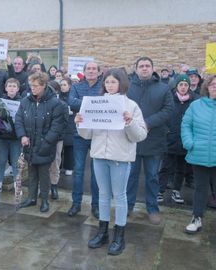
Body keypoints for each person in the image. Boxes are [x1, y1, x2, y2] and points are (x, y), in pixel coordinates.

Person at [76, 69, 147, 256]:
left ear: (121, 83)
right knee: (103, 195)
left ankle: (119, 236)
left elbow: (140, 135)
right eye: (107, 82)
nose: (110, 85)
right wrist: (80, 123)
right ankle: (103, 232)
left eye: (113, 82)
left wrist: (129, 122)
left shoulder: (131, 106)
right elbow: (87, 134)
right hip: (99, 155)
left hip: (120, 158)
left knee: (120, 196)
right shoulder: (96, 103)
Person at [126, 57, 173, 225]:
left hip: (154, 140)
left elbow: (168, 111)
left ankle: (152, 209)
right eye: (141, 66)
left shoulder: (163, 88)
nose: (144, 69)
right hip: (132, 140)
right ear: (136, 69)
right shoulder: (128, 88)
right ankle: (128, 206)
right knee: (130, 176)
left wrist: (147, 123)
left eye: (147, 66)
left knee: (152, 176)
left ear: (153, 68)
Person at [15, 72, 67, 212]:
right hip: (29, 145)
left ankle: (44, 200)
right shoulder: (25, 102)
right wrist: (22, 135)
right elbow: (18, 120)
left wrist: (45, 144)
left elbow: (56, 128)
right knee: (32, 174)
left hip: (45, 146)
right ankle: (31, 198)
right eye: (31, 85)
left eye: (36, 86)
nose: (32, 88)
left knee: (44, 175)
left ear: (44, 85)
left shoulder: (55, 103)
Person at [181, 75, 216, 234]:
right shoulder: (196, 105)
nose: (215, 87)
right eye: (213, 84)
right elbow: (186, 125)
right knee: (200, 189)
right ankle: (196, 218)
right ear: (207, 87)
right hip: (199, 155)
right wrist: (189, 142)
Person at [68, 62, 102, 218]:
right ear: (84, 71)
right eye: (88, 69)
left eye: (94, 69)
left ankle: (96, 205)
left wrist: (85, 105)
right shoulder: (76, 87)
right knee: (79, 171)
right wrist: (94, 104)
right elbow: (72, 102)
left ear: (99, 72)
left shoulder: (103, 87)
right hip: (79, 134)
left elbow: (106, 105)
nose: (91, 71)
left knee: (97, 173)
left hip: (98, 135)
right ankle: (76, 204)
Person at [158, 74, 199, 204]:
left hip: (184, 142)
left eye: (185, 85)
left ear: (188, 87)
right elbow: (163, 117)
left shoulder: (194, 102)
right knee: (165, 167)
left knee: (181, 169)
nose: (183, 87)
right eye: (180, 84)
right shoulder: (169, 99)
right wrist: (165, 131)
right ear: (176, 86)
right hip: (169, 139)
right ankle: (160, 190)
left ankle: (176, 191)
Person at [0, 78, 22, 196]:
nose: (12, 88)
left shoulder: (22, 101)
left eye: (14, 86)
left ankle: (17, 185)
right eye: (9, 86)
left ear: (18, 89)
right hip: (3, 135)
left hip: (15, 136)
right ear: (5, 88)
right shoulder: (0, 101)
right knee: (1, 160)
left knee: (15, 162)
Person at [59, 78, 75, 176]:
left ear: (69, 86)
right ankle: (59, 166)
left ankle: (69, 167)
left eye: (64, 85)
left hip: (70, 124)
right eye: (61, 85)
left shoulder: (72, 96)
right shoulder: (57, 96)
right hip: (60, 125)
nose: (62, 87)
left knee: (69, 148)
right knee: (59, 148)